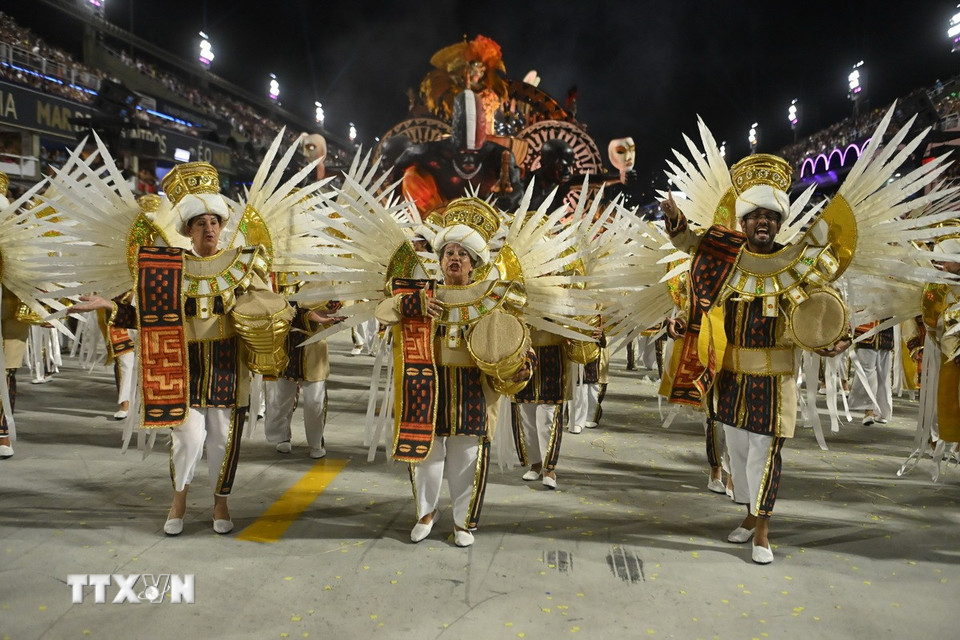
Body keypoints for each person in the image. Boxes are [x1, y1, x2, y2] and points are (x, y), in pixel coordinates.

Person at [69, 161, 289, 536]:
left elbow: (268, 308)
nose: (209, 228)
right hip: (182, 364)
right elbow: (147, 314)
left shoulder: (243, 264)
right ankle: (179, 500)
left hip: (227, 366)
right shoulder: (167, 267)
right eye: (200, 223)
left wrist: (290, 317)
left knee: (222, 438)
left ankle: (221, 503)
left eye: (214, 222)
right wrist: (108, 306)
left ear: (222, 226)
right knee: (187, 438)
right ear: (187, 230)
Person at [661, 154, 850, 564]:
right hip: (729, 376)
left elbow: (818, 314)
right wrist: (676, 223)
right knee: (739, 453)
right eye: (754, 216)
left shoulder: (796, 264)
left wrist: (833, 339)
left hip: (772, 378)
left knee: (764, 454)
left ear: (779, 223)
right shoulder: (724, 258)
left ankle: (762, 532)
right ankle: (749, 515)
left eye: (770, 216)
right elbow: (692, 244)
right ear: (742, 223)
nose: (762, 222)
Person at [375, 198, 532, 547]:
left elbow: (515, 336)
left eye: (462, 253)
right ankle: (425, 514)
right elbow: (383, 311)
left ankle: (463, 523)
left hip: (473, 386)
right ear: (440, 259)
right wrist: (409, 304)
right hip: (428, 383)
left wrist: (521, 367)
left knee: (467, 454)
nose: (455, 258)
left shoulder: (494, 295)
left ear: (474, 262)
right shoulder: (423, 293)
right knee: (427, 452)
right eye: (449, 252)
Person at [266, 277, 341, 459]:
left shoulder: (326, 278)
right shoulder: (280, 277)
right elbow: (275, 305)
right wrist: (308, 314)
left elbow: (335, 303)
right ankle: (282, 436)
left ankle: (316, 442)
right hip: (285, 342)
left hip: (313, 345)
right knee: (282, 395)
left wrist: (330, 312)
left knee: (315, 400)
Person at [847, 321, 894, 425]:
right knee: (866, 369)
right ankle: (869, 411)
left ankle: (881, 411)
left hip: (886, 327)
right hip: (866, 326)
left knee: (884, 373)